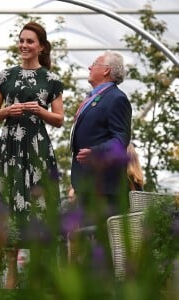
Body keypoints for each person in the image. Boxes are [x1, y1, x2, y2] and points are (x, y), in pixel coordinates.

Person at [0, 22, 64, 288]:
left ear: (41, 46)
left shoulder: (51, 79)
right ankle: (10, 275)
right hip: (10, 147)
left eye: (30, 41)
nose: (24, 45)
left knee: (39, 205)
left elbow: (59, 119)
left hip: (37, 149)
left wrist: (39, 111)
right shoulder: (5, 76)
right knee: (10, 203)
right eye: (21, 40)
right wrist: (9, 111)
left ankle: (41, 274)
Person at [70, 50, 132, 226]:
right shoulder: (97, 97)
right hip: (88, 185)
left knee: (102, 246)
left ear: (106, 70)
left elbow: (121, 140)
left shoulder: (116, 98)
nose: (90, 67)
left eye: (94, 63)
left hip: (104, 188)